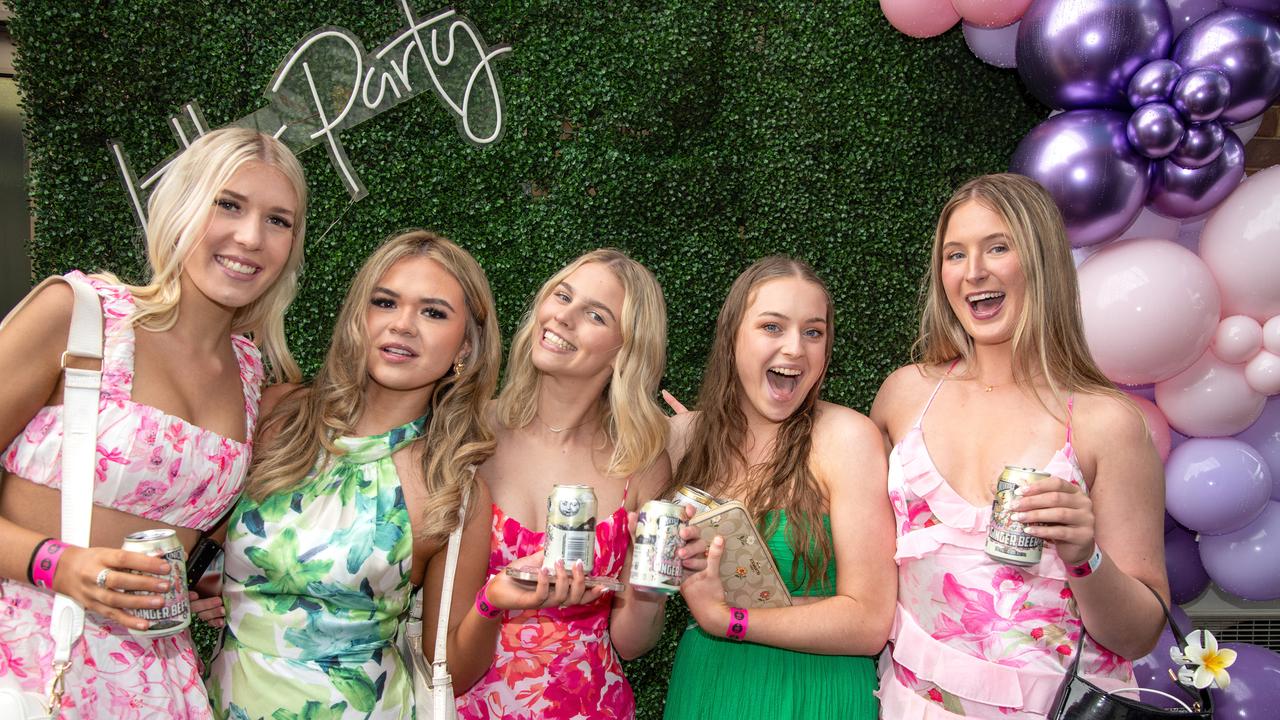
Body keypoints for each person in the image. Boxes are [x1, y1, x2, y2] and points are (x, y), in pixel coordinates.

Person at [0, 127, 307, 718]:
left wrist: (210, 580)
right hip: (29, 659)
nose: (250, 237)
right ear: (183, 204)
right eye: (229, 204)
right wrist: (56, 562)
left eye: (278, 220)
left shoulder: (248, 374)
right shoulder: (81, 317)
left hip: (152, 681)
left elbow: (184, 527)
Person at [870, 173, 1168, 718]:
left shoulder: (1106, 423)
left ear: (1043, 262)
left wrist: (1085, 556)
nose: (973, 272)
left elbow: (1140, 635)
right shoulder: (905, 396)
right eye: (955, 254)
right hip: (913, 704)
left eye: (998, 247)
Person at [203, 230, 502, 718]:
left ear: (465, 347)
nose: (403, 325)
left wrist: (492, 604)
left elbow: (452, 667)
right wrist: (202, 585)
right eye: (385, 302)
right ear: (359, 317)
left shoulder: (453, 488)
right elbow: (203, 541)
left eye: (433, 312)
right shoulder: (277, 413)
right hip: (227, 699)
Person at [456, 249, 695, 720]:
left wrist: (653, 585)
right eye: (562, 296)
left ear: (626, 348)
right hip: (473, 703)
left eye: (594, 314)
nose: (562, 316)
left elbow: (631, 644)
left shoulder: (642, 465)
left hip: (592, 706)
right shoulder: (470, 434)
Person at [661, 256, 895, 719]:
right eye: (772, 327)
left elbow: (869, 620)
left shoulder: (848, 438)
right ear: (732, 338)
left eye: (813, 332)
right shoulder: (682, 440)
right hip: (708, 691)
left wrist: (728, 620)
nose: (794, 349)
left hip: (817, 695)